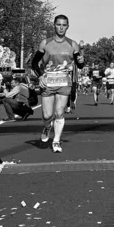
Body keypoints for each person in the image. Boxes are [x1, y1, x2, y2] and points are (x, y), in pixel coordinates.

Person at [31, 15, 84, 153]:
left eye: (64, 25)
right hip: (48, 81)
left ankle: (56, 141)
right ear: (54, 25)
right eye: (58, 24)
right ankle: (48, 126)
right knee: (47, 115)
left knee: (59, 112)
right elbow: (34, 63)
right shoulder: (45, 43)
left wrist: (81, 60)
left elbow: (80, 65)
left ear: (67, 26)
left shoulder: (73, 44)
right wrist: (40, 76)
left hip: (63, 81)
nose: (61, 27)